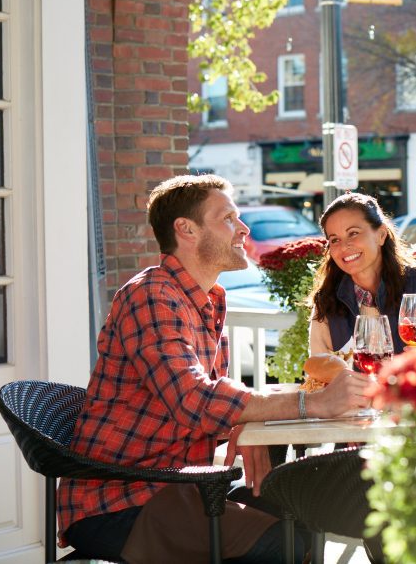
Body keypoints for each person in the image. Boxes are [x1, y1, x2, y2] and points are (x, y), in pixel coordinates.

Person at [57, 175, 370, 563]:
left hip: (177, 487)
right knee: (280, 543)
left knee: (300, 516)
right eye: (228, 219)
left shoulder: (205, 300)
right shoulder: (151, 296)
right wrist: (313, 405)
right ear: (186, 229)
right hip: (120, 500)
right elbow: (193, 400)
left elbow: (213, 391)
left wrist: (245, 420)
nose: (244, 229)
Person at [309, 192, 416, 357]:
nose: (344, 246)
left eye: (353, 233)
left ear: (381, 235)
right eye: (335, 240)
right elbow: (318, 374)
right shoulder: (326, 301)